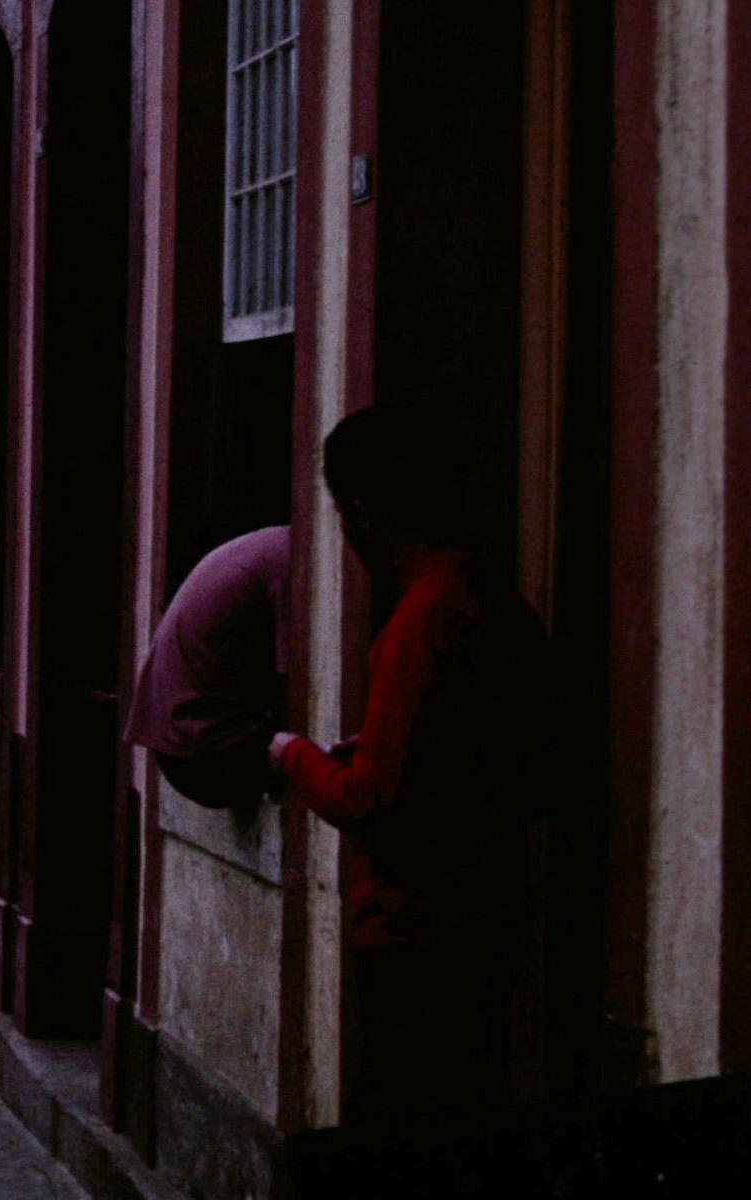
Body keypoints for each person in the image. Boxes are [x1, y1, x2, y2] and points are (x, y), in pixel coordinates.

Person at [269, 407, 548, 1128]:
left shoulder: (421, 618)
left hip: (411, 931)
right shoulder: (487, 597)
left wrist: (290, 754)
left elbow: (370, 798)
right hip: (489, 914)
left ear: (363, 513)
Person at [126, 525, 288, 808]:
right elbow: (295, 684)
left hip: (175, 750)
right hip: (207, 759)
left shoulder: (265, 546)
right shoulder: (292, 562)